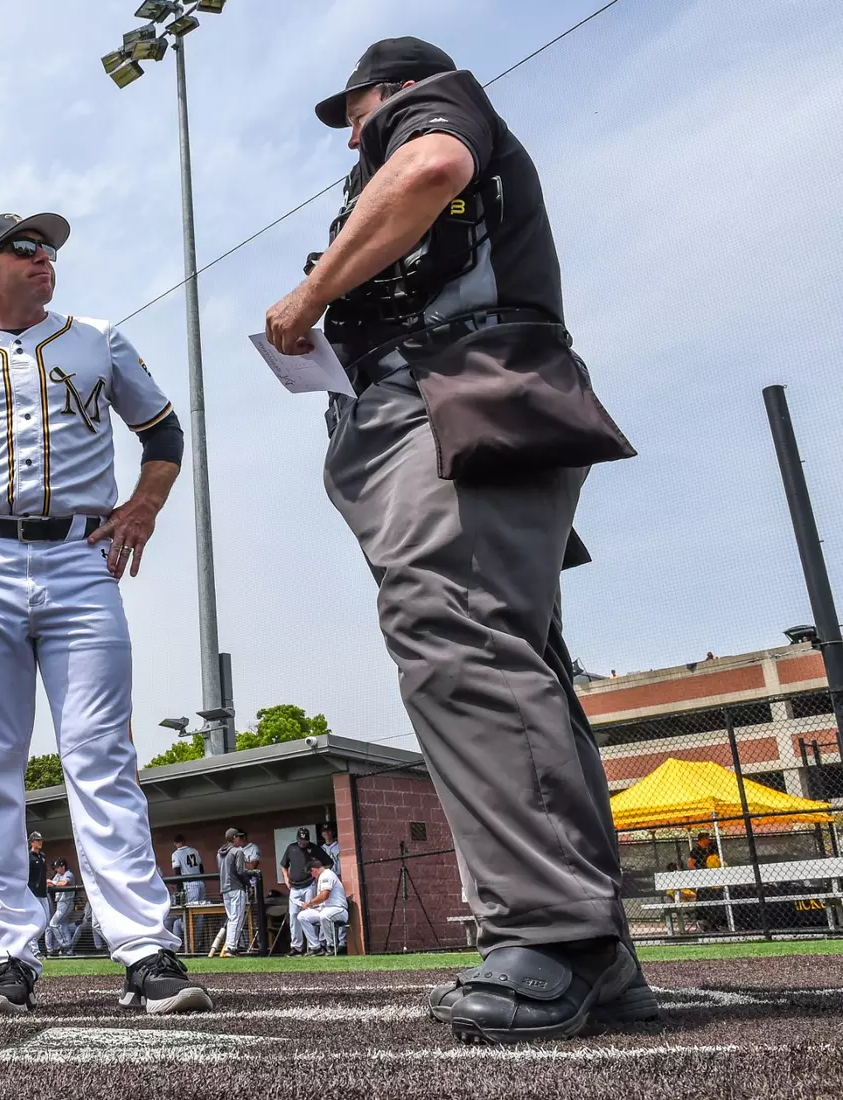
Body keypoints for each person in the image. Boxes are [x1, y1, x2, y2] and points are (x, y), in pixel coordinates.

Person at [263, 37, 652, 1044]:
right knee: (511, 654)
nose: (352, 129)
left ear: (390, 90)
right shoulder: (412, 135)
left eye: (356, 108)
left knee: (461, 637)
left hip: (449, 395)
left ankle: (550, 937)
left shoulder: (431, 109)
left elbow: (431, 166)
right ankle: (591, 951)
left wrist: (309, 299)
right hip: (465, 399)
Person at [0, 213, 211, 1018]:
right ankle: (8, 959)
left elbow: (162, 433)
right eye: (22, 248)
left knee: (101, 754)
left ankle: (145, 952)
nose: (42, 257)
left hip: (80, 562)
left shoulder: (97, 339)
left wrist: (143, 508)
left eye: (47, 247)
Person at [294, 852, 349, 957]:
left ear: (314, 869)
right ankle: (316, 947)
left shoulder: (327, 875)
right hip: (326, 909)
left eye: (311, 872)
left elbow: (324, 896)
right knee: (302, 916)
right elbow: (323, 901)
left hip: (339, 910)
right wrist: (310, 906)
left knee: (325, 915)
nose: (311, 875)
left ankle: (332, 946)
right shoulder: (321, 877)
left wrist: (309, 902)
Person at [280, 830, 321, 955]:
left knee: (308, 914)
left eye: (305, 841)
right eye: (301, 841)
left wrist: (317, 878)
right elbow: (284, 865)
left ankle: (313, 946)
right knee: (293, 916)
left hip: (309, 884)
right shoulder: (291, 848)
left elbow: (327, 863)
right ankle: (297, 946)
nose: (303, 843)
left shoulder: (313, 848)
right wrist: (286, 878)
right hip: (294, 887)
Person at [216, 829, 251, 958]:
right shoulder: (238, 851)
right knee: (236, 918)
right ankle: (231, 947)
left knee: (232, 918)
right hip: (236, 888)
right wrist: (249, 884)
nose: (240, 840)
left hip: (225, 889)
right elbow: (241, 871)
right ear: (234, 837)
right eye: (238, 837)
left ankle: (231, 946)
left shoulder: (219, 853)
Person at [45, 859, 79, 956]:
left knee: (53, 923)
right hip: (60, 902)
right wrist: (50, 882)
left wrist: (52, 882)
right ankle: (69, 949)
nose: (56, 869)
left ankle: (64, 945)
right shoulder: (58, 875)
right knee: (63, 925)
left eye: (58, 867)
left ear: (63, 866)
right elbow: (52, 884)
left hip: (66, 902)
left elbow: (65, 883)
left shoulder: (69, 874)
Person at [26, 833, 51, 958]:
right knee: (35, 922)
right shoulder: (28, 857)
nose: (40, 842)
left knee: (46, 922)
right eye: (37, 840)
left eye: (41, 840)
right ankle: (35, 950)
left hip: (43, 893)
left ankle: (29, 943)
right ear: (32, 842)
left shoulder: (42, 856)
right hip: (33, 894)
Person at [171, 835, 206, 906]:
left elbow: (177, 871)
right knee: (202, 908)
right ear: (184, 841)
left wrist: (179, 888)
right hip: (200, 882)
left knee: (191, 909)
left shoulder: (176, 854)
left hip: (189, 884)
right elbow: (201, 868)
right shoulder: (194, 851)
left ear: (175, 843)